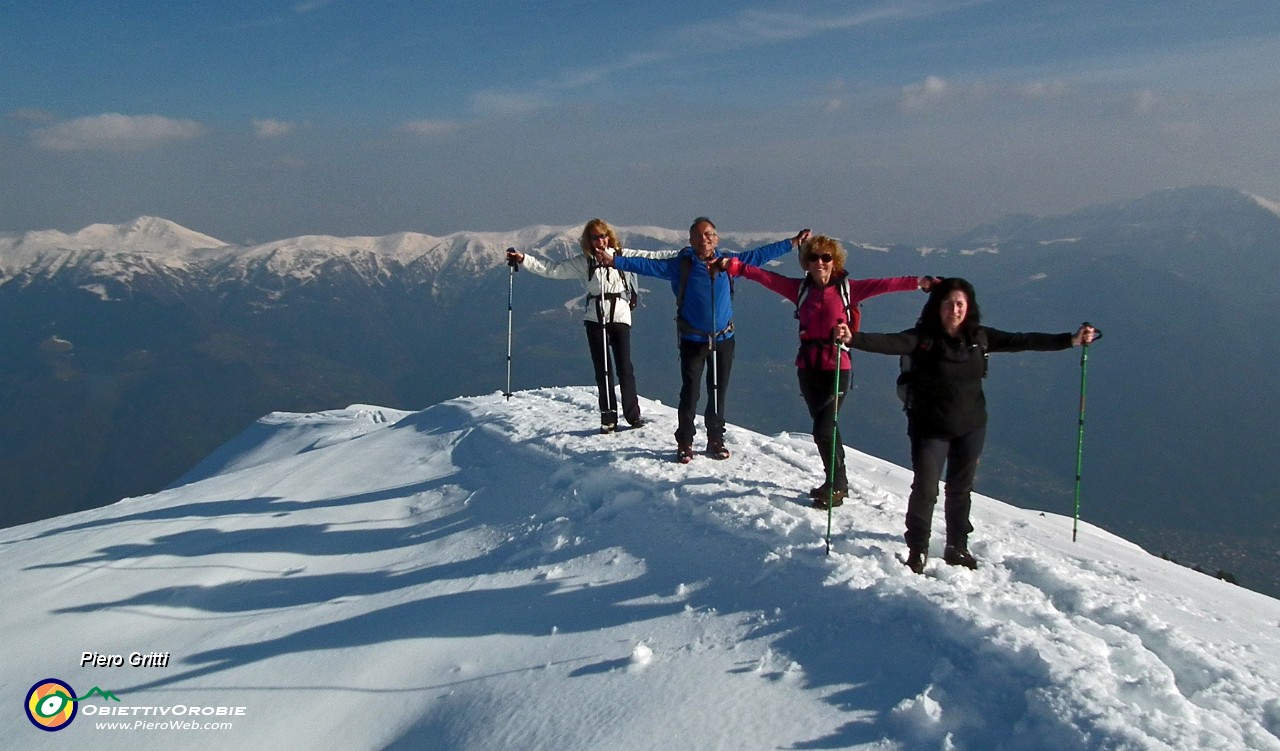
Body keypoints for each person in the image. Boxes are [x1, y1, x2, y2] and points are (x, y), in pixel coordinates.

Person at [845, 277, 1098, 573]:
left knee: (960, 489)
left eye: (960, 304)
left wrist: (1071, 340)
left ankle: (957, 546)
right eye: (949, 303)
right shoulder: (922, 339)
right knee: (926, 489)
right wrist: (852, 339)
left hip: (972, 426)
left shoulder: (980, 337)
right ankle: (918, 549)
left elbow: (1024, 340)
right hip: (930, 427)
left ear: (969, 307)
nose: (954, 309)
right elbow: (889, 342)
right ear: (937, 307)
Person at [720, 235, 934, 508]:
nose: (820, 262)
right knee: (825, 428)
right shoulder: (799, 289)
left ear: (835, 261)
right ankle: (836, 481)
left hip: (837, 367)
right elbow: (764, 277)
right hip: (808, 367)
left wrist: (921, 282)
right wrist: (732, 266)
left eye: (826, 257)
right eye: (813, 257)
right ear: (806, 263)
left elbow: (886, 285)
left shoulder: (848, 289)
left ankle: (836, 484)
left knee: (823, 427)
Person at [596, 218, 810, 462]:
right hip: (693, 339)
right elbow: (647, 266)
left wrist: (791, 243)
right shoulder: (682, 266)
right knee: (691, 392)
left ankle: (715, 439)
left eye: (708, 234)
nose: (704, 239)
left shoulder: (729, 264)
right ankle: (685, 441)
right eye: (698, 236)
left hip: (723, 338)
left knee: (718, 391)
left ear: (716, 239)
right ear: (691, 241)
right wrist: (615, 261)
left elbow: (759, 255)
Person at [506, 219, 666, 433]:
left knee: (624, 368)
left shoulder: (622, 256)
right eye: (595, 237)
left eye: (603, 236)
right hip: (595, 318)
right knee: (603, 369)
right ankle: (608, 417)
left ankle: (632, 415)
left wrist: (683, 256)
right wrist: (524, 259)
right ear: (589, 241)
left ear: (609, 236)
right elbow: (552, 269)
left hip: (618, 316)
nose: (600, 241)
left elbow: (651, 258)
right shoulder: (585, 262)